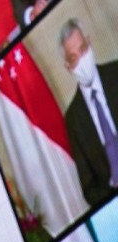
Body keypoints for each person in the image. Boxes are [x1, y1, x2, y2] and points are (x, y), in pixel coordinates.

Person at [61, 18, 118, 205]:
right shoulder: (73, 118)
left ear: (90, 43)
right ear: (68, 67)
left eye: (83, 49)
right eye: (73, 58)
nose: (82, 61)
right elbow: (89, 187)